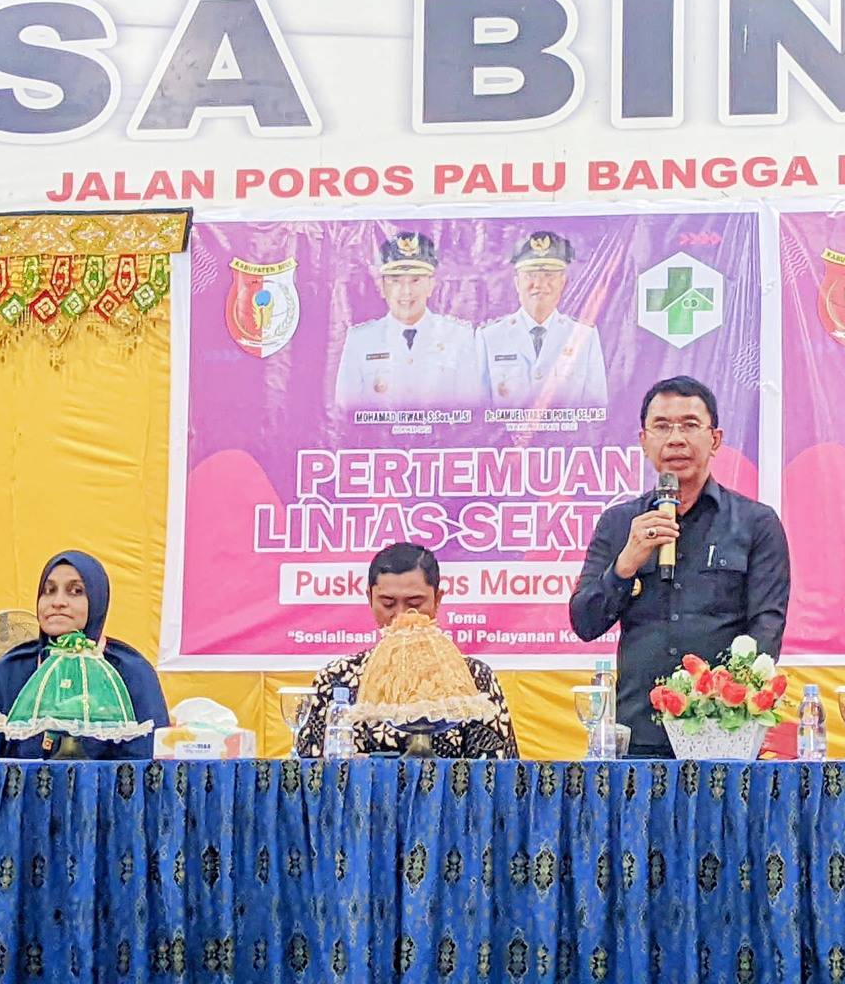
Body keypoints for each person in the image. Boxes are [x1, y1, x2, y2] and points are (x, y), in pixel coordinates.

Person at [571, 376, 792, 757]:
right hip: (638, 733)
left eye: (690, 425)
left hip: (723, 733)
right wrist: (626, 564)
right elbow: (585, 622)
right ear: (644, 441)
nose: (675, 439)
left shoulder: (756, 523)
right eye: (662, 426)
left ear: (715, 439)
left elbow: (766, 630)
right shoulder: (619, 524)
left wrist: (721, 699)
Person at [293, 542, 519, 759]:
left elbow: (499, 773)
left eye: (415, 603)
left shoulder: (473, 679)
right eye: (388, 603)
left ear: (437, 599)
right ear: (370, 598)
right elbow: (309, 772)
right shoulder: (337, 679)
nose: (401, 616)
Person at [0, 551, 170, 760]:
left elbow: (149, 769)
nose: (58, 602)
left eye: (76, 591)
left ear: (97, 600)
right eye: (48, 591)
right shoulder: (10, 670)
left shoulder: (131, 672)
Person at [333, 231, 484, 410]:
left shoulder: (458, 337)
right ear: (382, 287)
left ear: (431, 285)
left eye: (415, 280)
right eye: (395, 280)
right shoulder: (360, 340)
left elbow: (471, 409)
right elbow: (346, 410)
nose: (406, 291)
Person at [479, 230, 608, 409]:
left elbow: (596, 407)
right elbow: (479, 408)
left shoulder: (583, 336)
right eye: (530, 275)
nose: (539, 284)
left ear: (563, 282)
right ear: (517, 283)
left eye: (549, 275)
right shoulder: (490, 337)